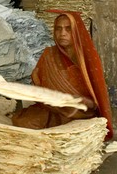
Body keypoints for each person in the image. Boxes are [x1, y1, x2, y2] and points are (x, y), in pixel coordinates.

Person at [12, 11, 113, 139]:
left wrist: (81, 101)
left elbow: (96, 95)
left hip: (79, 110)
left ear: (76, 32)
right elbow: (38, 83)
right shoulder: (49, 54)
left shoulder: (87, 57)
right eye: (58, 29)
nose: (62, 33)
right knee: (24, 122)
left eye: (68, 29)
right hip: (52, 109)